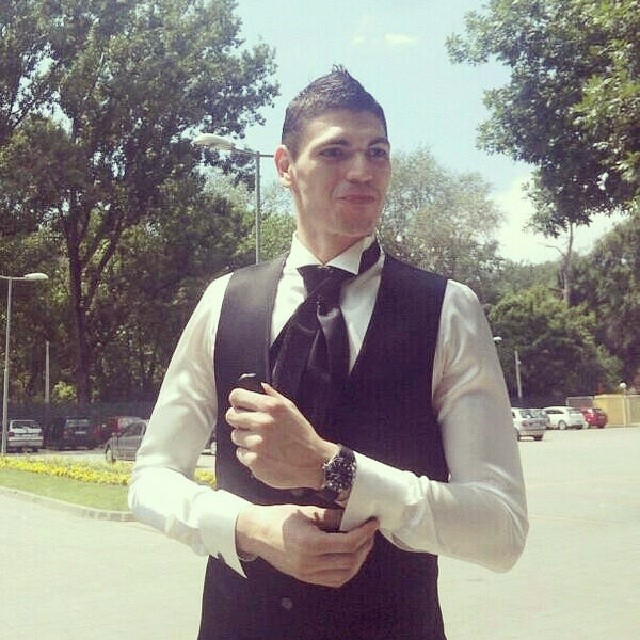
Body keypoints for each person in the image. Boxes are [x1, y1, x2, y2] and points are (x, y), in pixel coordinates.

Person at [129, 66, 528, 640]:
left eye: (377, 152)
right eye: (335, 152)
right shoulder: (224, 301)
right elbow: (150, 479)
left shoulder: (448, 310)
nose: (362, 170)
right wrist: (246, 526)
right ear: (285, 167)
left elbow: (502, 530)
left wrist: (332, 468)